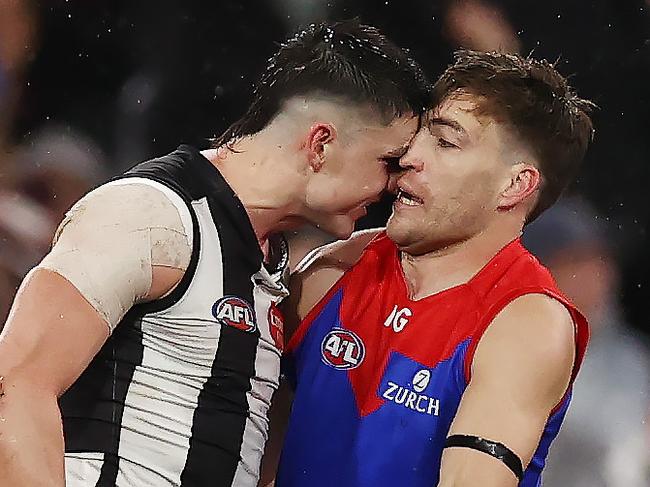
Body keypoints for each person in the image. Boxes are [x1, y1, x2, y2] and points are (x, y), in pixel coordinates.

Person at [0, 20, 428, 487]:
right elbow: (16, 384)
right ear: (320, 143)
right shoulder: (151, 215)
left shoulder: (270, 267)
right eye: (388, 161)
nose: (393, 184)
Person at [275, 49, 594, 487]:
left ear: (515, 185)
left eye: (445, 142)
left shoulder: (526, 324)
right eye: (419, 135)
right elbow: (251, 451)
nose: (408, 157)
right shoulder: (330, 274)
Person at [522, 197, 650, 487]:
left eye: (600, 260)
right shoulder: (511, 347)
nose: (598, 275)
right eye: (576, 261)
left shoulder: (632, 355)